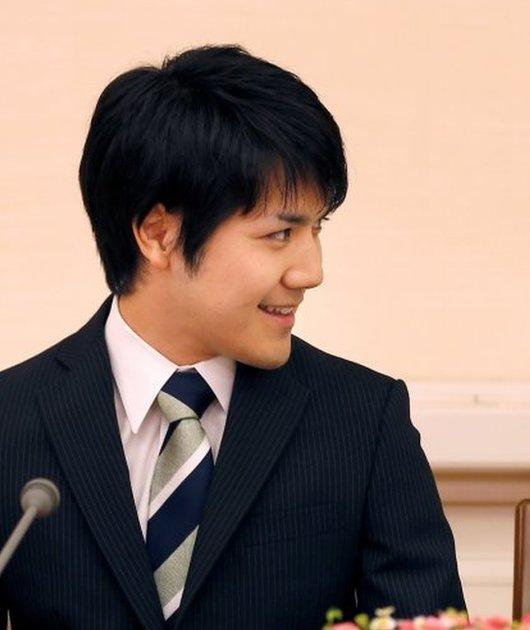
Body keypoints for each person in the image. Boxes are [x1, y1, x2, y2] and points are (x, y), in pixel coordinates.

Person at [0, 45, 464, 628]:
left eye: (316, 229)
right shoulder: (11, 422)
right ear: (159, 234)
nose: (310, 271)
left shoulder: (364, 420)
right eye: (279, 233)